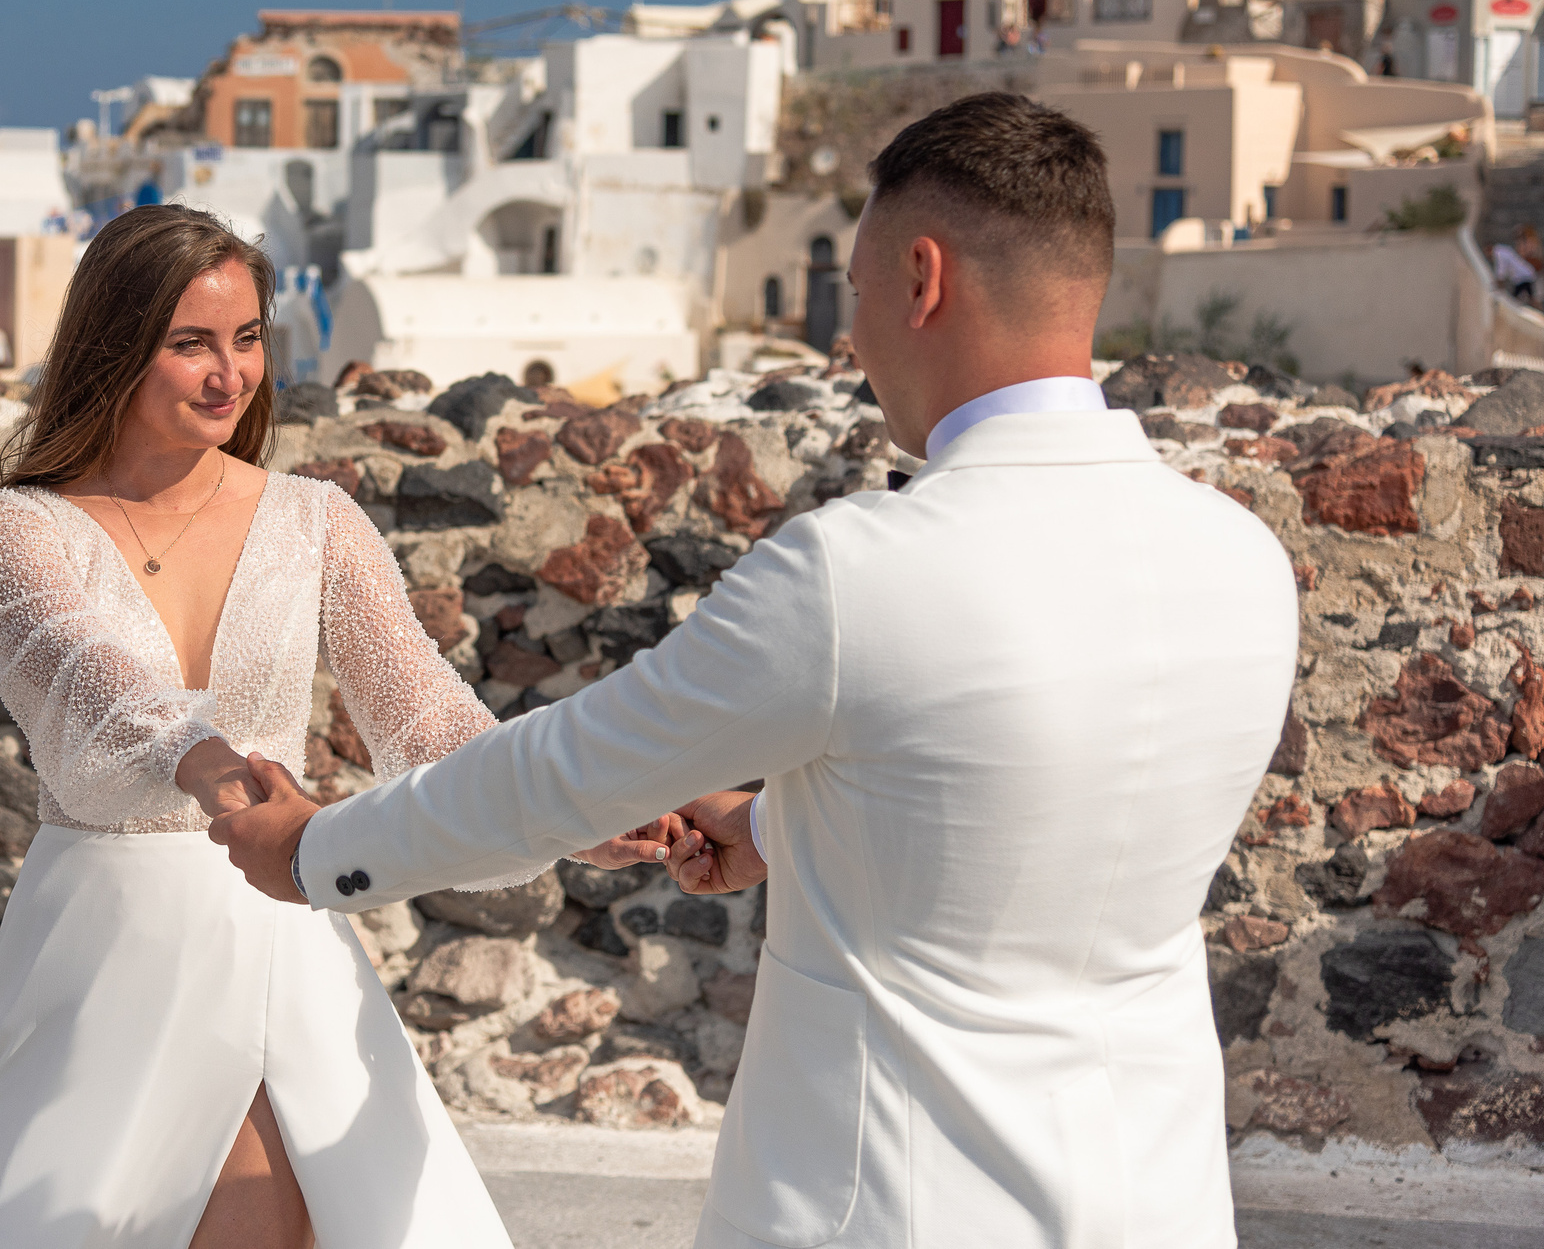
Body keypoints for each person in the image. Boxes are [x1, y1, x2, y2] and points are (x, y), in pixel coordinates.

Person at [216, 95, 1299, 1249]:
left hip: (887, 1203)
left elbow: (563, 775)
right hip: (1159, 1198)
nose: (853, 338)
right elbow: (1025, 808)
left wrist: (314, 851)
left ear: (922, 278)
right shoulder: (1243, 557)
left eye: (857, 290)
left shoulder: (857, 573)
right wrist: (782, 829)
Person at [0, 205, 670, 1249]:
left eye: (247, 337)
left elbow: (424, 710)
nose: (229, 373)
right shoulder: (17, 524)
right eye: (190, 342)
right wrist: (204, 761)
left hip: (277, 913)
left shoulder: (316, 517)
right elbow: (89, 672)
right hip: (100, 944)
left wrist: (572, 813)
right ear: (114, 345)